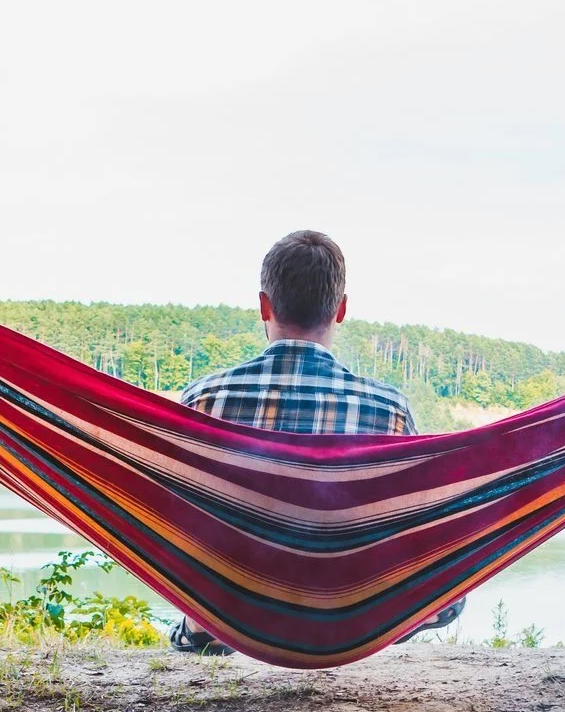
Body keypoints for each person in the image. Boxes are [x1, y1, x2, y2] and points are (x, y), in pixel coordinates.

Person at [169, 230, 463, 653]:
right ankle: (369, 619)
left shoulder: (204, 400)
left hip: (234, 606)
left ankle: (204, 624)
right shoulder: (389, 409)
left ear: (264, 306)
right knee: (449, 583)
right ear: (340, 309)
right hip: (351, 613)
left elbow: (178, 521)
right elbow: (415, 530)